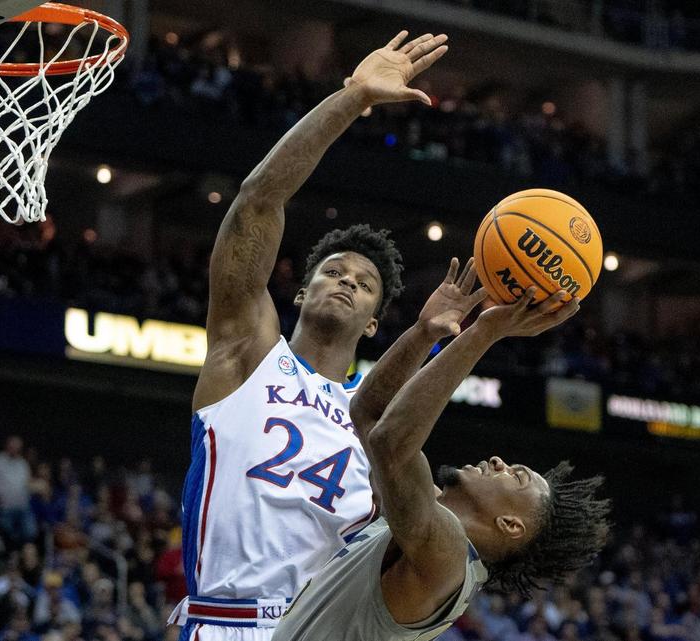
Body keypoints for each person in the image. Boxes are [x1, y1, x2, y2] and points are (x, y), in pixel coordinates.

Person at [171, 29, 474, 641]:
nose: (345, 281)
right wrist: (353, 98)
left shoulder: (376, 428)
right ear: (301, 293)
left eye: (364, 284)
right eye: (332, 271)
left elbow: (392, 444)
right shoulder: (247, 354)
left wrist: (427, 336)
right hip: (227, 624)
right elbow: (257, 203)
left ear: (372, 322)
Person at [272, 287, 611, 641]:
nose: (499, 462)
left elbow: (390, 441)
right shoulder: (428, 526)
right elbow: (368, 414)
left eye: (516, 476)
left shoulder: (449, 562)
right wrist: (425, 332)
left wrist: (484, 331)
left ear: (511, 524)